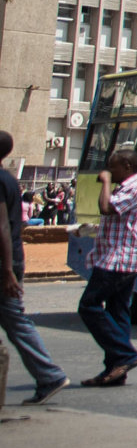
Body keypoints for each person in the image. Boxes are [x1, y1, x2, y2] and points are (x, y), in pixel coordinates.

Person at [1, 133, 66, 406]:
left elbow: (2, 227)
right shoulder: (8, 180)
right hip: (11, 258)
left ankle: (49, 374)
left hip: (5, 262)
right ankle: (48, 375)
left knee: (15, 320)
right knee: (15, 321)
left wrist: (7, 271)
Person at [78, 148, 137, 387]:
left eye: (114, 167)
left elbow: (106, 207)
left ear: (128, 167)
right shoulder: (127, 187)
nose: (109, 171)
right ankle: (115, 370)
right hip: (118, 256)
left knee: (89, 305)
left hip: (120, 259)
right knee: (117, 312)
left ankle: (125, 355)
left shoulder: (135, 187)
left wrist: (106, 183)